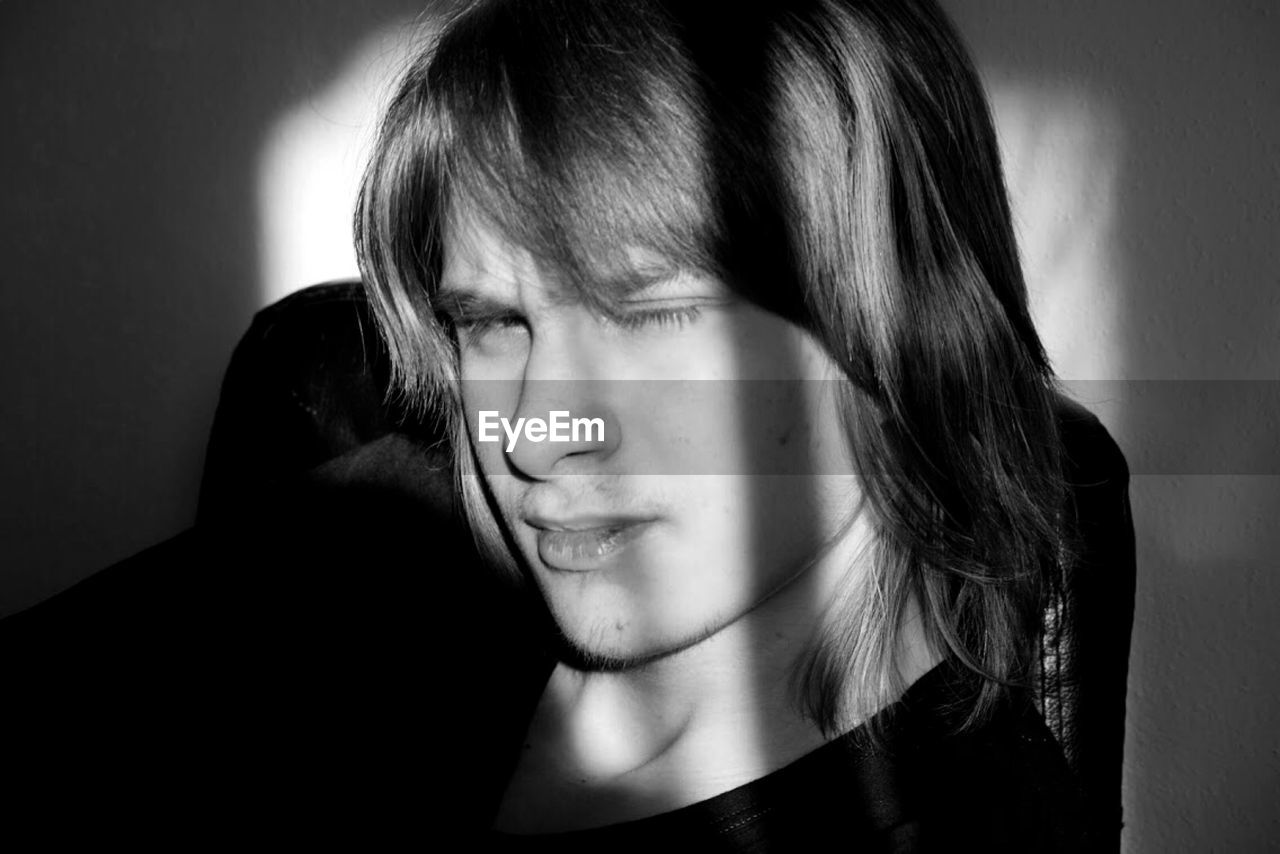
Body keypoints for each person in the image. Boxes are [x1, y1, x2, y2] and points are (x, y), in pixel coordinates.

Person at [354, 0, 1100, 849]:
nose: (531, 436)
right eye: (490, 323)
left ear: (901, 336)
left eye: (652, 315)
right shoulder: (389, 564)